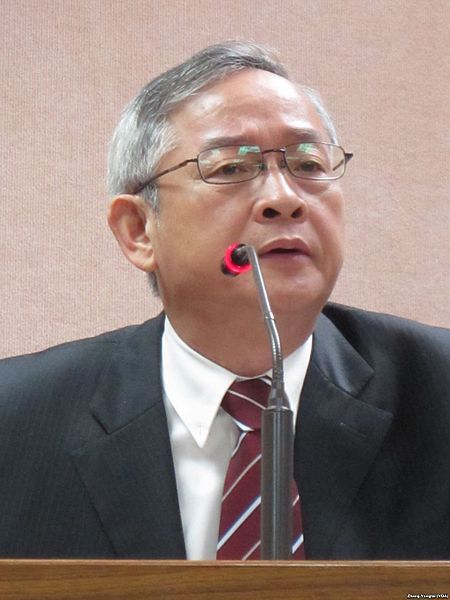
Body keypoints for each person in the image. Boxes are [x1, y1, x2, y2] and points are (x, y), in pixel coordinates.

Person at [0, 41, 449, 560]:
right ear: (139, 230)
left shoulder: (437, 392)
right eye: (233, 168)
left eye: (308, 163)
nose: (284, 199)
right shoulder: (17, 422)